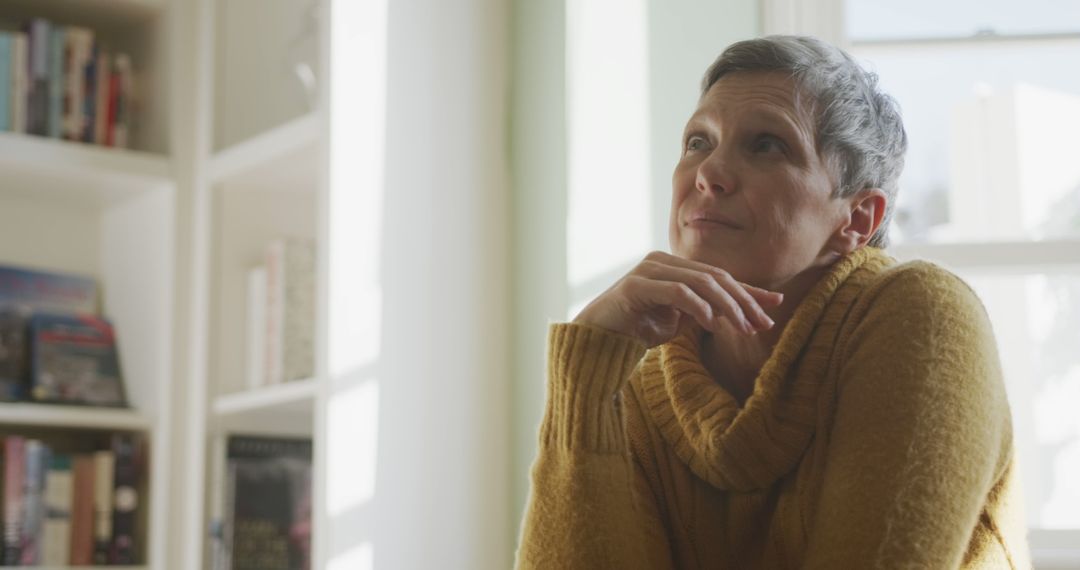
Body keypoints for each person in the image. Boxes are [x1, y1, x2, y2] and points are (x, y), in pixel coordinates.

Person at [515, 35, 1030, 569]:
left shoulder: (923, 316)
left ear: (857, 220)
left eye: (766, 145)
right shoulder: (645, 388)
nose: (708, 173)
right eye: (697, 141)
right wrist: (587, 374)